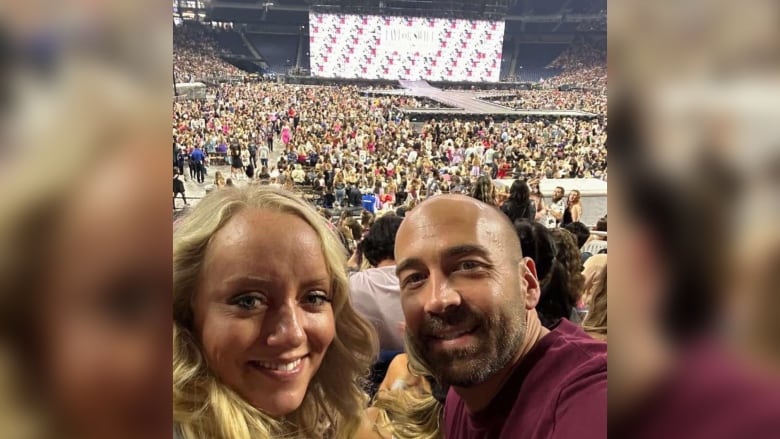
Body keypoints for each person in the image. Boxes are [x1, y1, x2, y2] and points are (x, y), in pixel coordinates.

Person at [173, 186, 379, 439]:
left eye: (313, 297)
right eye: (249, 301)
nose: (292, 334)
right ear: (185, 313)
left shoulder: (340, 416)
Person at [394, 195, 606, 439]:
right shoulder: (463, 393)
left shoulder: (592, 398)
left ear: (528, 284)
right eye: (415, 278)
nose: (437, 300)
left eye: (468, 266)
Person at [347, 215, 406, 352]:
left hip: (368, 366)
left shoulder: (353, 283)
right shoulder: (426, 281)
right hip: (417, 366)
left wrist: (351, 266)